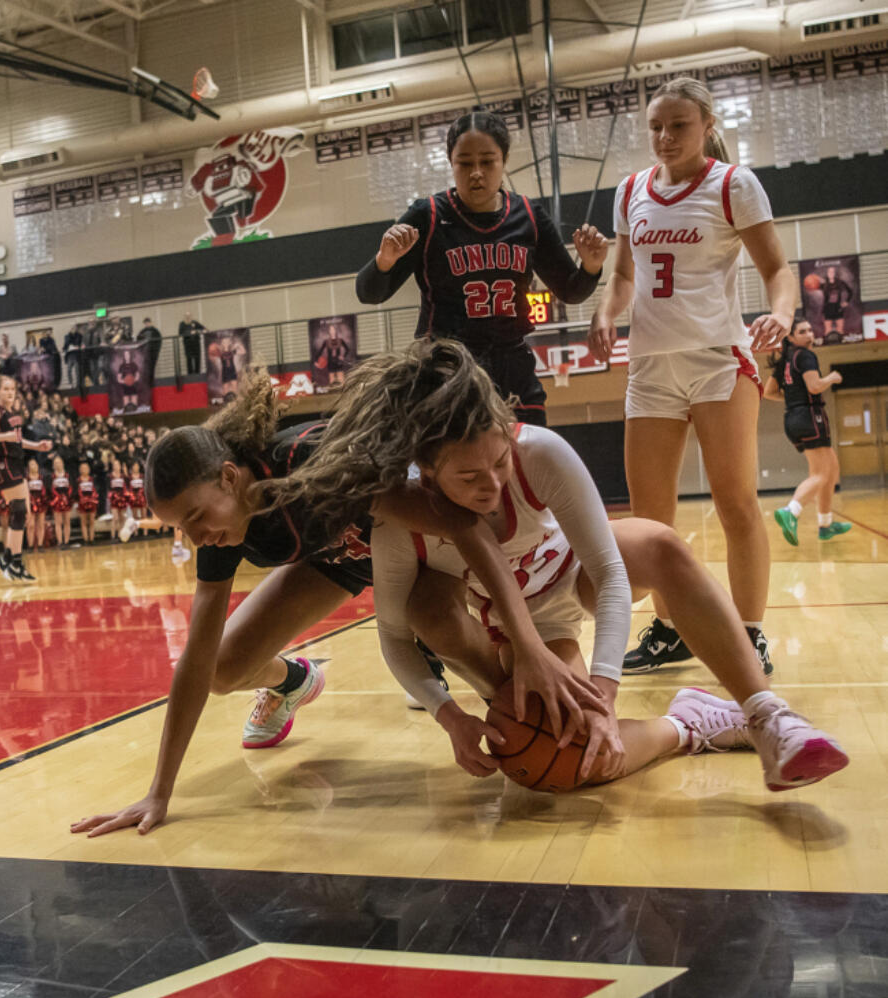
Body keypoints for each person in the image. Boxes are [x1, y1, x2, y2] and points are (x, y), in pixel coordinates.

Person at [272, 340, 846, 791]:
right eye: (469, 478)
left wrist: (604, 694)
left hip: (579, 578)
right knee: (568, 762)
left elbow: (613, 575)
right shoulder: (401, 522)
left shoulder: (539, 452)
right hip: (515, 631)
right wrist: (450, 715)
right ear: (425, 469)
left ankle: (768, 715)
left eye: (498, 462)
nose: (493, 484)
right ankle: (690, 724)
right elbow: (395, 637)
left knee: (659, 543)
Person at [72, 371, 603, 838]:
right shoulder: (225, 529)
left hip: (422, 549)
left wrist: (529, 647)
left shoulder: (313, 465)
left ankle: (524, 708)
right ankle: (293, 681)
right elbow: (195, 659)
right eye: (180, 528)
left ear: (230, 478)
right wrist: (159, 793)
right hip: (343, 562)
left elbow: (460, 525)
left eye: (194, 517)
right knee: (221, 668)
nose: (193, 536)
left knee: (440, 622)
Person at [588, 76, 795, 676]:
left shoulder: (734, 185)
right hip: (651, 366)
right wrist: (606, 312)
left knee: (735, 502)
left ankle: (750, 632)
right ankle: (669, 629)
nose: (664, 136)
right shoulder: (631, 191)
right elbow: (624, 277)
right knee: (651, 519)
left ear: (707, 126)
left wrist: (780, 315)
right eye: (655, 126)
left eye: (678, 125)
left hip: (718, 361)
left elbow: (778, 268)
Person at [355, 111, 607, 426]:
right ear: (451, 163)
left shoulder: (528, 215)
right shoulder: (428, 215)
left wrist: (591, 265)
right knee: (464, 469)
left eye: (487, 162)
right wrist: (385, 260)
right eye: (465, 163)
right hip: (447, 366)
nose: (476, 173)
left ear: (504, 161)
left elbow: (571, 290)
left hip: (512, 365)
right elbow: (368, 292)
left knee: (528, 460)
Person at [765, 318, 851, 544]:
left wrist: (793, 397)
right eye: (802, 331)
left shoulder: (785, 359)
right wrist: (831, 378)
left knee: (831, 469)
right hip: (810, 416)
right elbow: (814, 386)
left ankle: (825, 524)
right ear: (791, 337)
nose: (809, 334)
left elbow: (769, 391)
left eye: (811, 330)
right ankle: (791, 511)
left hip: (793, 417)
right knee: (821, 474)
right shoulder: (804, 355)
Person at [0, 376, 52, 584]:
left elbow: (16, 440)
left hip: (16, 463)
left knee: (22, 514)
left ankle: (9, 559)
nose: (10, 393)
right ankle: (14, 562)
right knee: (19, 511)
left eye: (12, 389)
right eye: (5, 389)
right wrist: (2, 438)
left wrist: (36, 446)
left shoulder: (12, 414)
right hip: (2, 464)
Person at [819, 265, 854, 343]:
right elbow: (812, 285)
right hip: (828, 308)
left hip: (838, 308)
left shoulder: (840, 282)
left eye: (832, 272)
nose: (831, 273)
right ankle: (827, 344)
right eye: (829, 272)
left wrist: (846, 302)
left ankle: (841, 344)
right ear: (827, 273)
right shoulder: (824, 283)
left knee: (840, 329)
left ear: (835, 273)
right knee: (828, 329)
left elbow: (850, 291)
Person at [48, 455, 75, 548]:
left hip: (67, 499)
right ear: (53, 465)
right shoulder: (51, 476)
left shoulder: (68, 475)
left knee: (67, 521)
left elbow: (72, 487)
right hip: (56, 500)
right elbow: (49, 488)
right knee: (58, 522)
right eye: (55, 463)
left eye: (59, 462)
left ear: (62, 463)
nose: (57, 464)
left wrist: (67, 497)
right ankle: (60, 542)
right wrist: (57, 497)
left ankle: (67, 541)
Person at [25, 458, 48, 552]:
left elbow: (45, 490)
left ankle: (40, 544)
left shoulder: (42, 477)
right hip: (30, 502)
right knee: (30, 525)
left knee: (41, 524)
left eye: (35, 464)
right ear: (28, 467)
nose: (33, 466)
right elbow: (25, 491)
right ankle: (30, 545)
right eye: (31, 464)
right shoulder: (26, 478)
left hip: (40, 502)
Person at [75, 461, 99, 545]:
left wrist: (93, 499)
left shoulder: (92, 479)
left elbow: (96, 490)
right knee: (84, 521)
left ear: (89, 469)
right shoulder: (78, 480)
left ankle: (92, 539)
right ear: (80, 470)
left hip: (92, 502)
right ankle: (85, 540)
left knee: (92, 521)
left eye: (86, 468)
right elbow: (76, 492)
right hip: (82, 503)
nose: (84, 469)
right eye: (82, 468)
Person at [106, 460, 130, 542]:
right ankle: (113, 536)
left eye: (118, 465)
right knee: (115, 518)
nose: (116, 466)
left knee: (122, 517)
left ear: (120, 466)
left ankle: (121, 535)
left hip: (122, 498)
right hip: (114, 499)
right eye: (115, 465)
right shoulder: (110, 476)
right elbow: (108, 487)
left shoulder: (123, 476)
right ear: (113, 466)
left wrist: (126, 473)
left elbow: (128, 484)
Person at [139, 317, 162, 383]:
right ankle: (147, 380)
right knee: (146, 367)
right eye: (145, 323)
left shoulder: (155, 331)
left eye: (147, 323)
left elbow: (159, 341)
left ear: (150, 322)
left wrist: (156, 350)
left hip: (153, 352)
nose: (147, 324)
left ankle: (151, 380)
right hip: (145, 352)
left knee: (152, 366)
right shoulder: (142, 332)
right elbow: (139, 341)